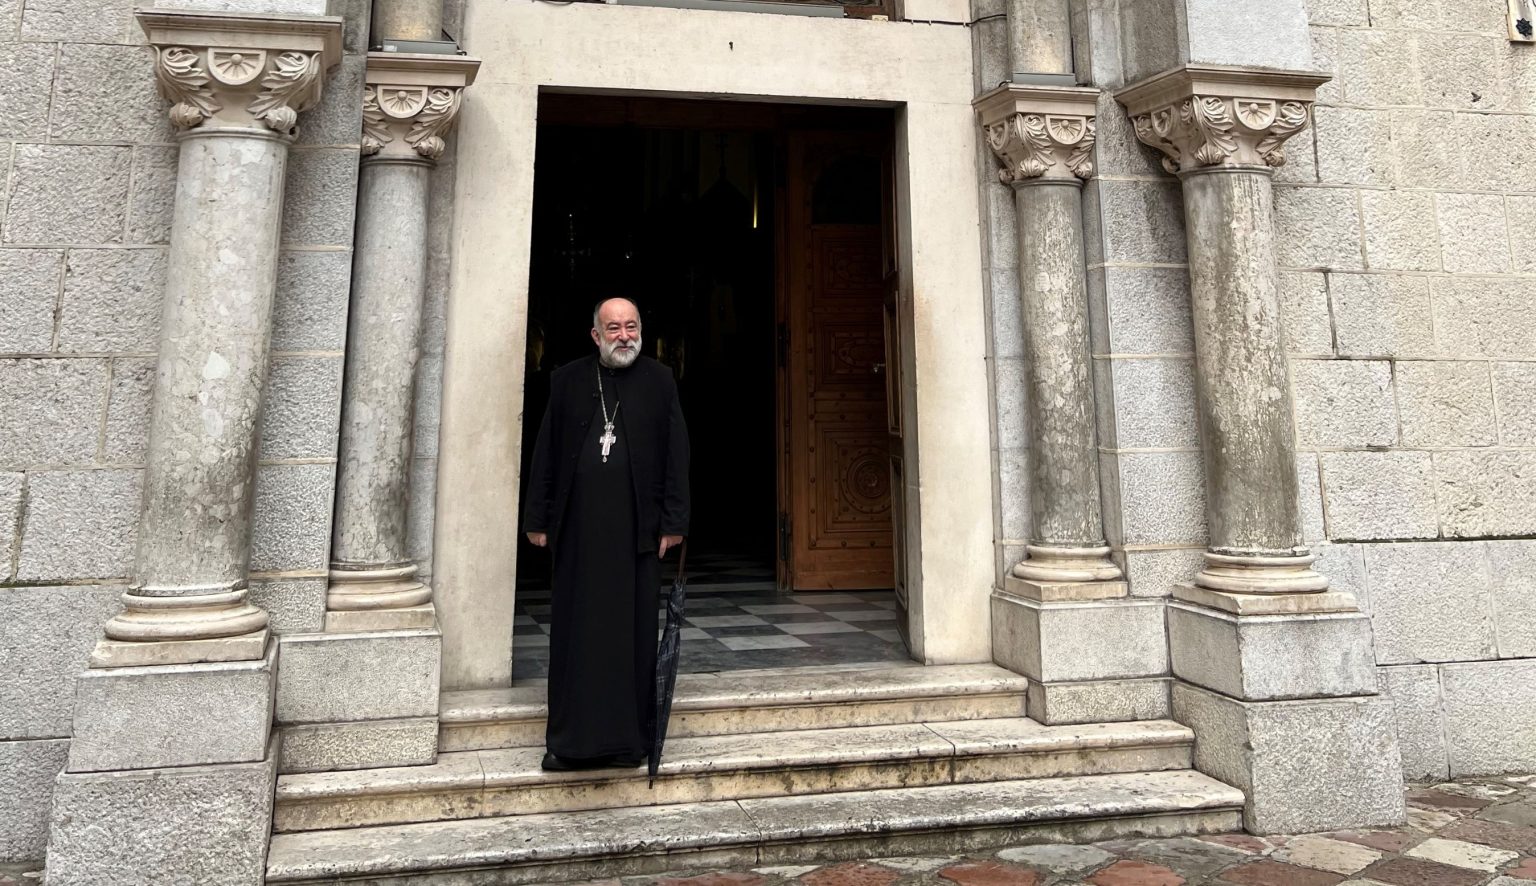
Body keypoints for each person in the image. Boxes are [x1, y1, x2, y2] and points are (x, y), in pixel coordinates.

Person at [523, 297, 690, 771]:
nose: (624, 335)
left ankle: (627, 743)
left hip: (637, 535)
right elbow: (547, 453)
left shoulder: (659, 381)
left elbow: (677, 456)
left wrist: (675, 523)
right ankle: (568, 744)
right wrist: (538, 518)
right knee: (576, 636)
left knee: (632, 638)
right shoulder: (568, 380)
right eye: (613, 327)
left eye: (631, 326)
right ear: (596, 335)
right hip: (577, 535)